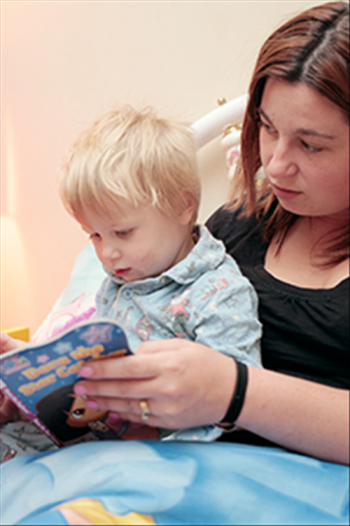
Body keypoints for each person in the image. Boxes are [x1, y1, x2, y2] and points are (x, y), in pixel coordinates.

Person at [1, 1, 348, 464]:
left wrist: (233, 390)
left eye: (310, 144)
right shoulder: (233, 230)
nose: (275, 163)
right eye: (265, 127)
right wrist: (36, 392)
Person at [0, 105, 262, 443]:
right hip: (95, 436)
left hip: (167, 453)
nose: (107, 252)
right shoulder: (119, 282)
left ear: (182, 206)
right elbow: (88, 371)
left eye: (122, 232)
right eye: (93, 235)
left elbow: (238, 403)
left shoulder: (218, 293)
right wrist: (29, 365)